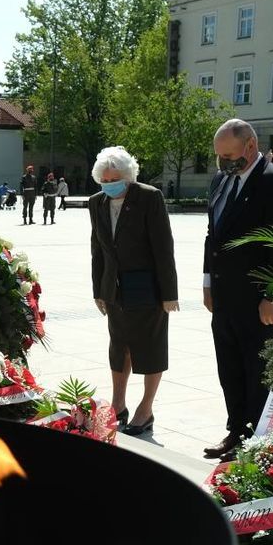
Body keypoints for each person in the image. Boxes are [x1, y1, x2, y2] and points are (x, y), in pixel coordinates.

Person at [202, 118, 273, 461]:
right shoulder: (219, 181)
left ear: (250, 146)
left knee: (256, 368)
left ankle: (256, 438)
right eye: (219, 157)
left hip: (258, 299)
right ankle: (236, 429)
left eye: (229, 155)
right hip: (224, 295)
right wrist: (207, 282)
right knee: (229, 364)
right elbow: (211, 236)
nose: (224, 163)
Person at [89, 146, 179, 437]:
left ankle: (145, 409)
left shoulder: (148, 197)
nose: (109, 184)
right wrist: (98, 289)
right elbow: (98, 249)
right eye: (104, 180)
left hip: (147, 287)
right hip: (113, 288)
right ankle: (118, 404)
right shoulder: (97, 202)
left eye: (115, 178)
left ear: (128, 176)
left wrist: (169, 293)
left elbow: (163, 247)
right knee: (119, 346)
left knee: (150, 347)